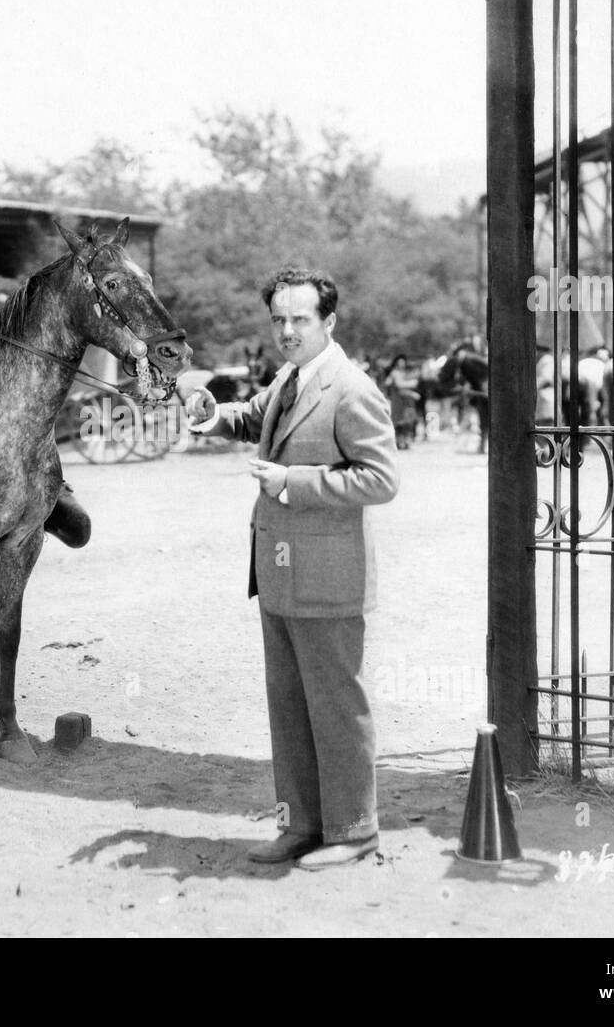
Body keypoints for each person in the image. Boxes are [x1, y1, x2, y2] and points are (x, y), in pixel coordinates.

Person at [186, 266, 399, 869]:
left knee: (335, 706)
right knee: (290, 706)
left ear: (327, 322)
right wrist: (213, 414)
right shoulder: (291, 375)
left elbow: (381, 479)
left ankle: (355, 833)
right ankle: (301, 825)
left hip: (330, 579)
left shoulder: (352, 388)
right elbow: (254, 417)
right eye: (278, 319)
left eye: (299, 320)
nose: (286, 330)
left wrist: (293, 482)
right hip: (279, 574)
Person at [382, 353, 420, 449]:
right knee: (400, 422)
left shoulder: (402, 373)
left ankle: (404, 442)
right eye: (400, 363)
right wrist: (413, 384)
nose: (402, 364)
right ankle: (400, 442)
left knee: (406, 422)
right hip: (398, 400)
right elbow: (400, 385)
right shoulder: (395, 373)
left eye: (403, 362)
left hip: (404, 400)